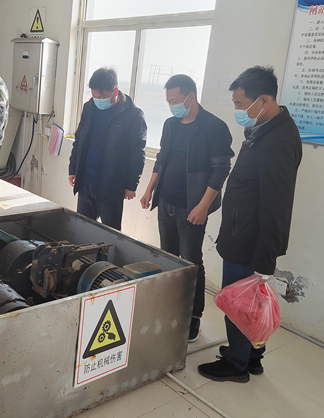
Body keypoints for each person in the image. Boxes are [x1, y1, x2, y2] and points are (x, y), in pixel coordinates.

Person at [198, 66, 302, 383]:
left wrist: (264, 259)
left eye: (240, 104)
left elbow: (277, 205)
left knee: (240, 304)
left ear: (263, 100)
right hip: (242, 233)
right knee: (251, 303)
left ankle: (236, 363)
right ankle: (252, 356)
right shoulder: (264, 130)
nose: (237, 110)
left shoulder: (278, 142)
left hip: (248, 241)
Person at [140, 74, 234, 342]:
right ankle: (170, 306)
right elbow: (162, 159)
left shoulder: (214, 127)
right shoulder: (170, 124)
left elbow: (220, 170)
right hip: (166, 202)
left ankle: (193, 317)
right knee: (168, 256)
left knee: (192, 262)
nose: (172, 106)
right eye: (169, 101)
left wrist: (203, 205)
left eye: (175, 100)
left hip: (191, 208)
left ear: (191, 97)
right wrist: (149, 189)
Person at [68, 68, 147, 231]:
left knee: (110, 233)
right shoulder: (89, 108)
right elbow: (80, 139)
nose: (98, 100)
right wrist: (73, 168)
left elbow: (137, 152)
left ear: (115, 91)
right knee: (82, 230)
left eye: (102, 97)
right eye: (94, 96)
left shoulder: (133, 115)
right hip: (86, 182)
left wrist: (131, 184)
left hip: (111, 186)